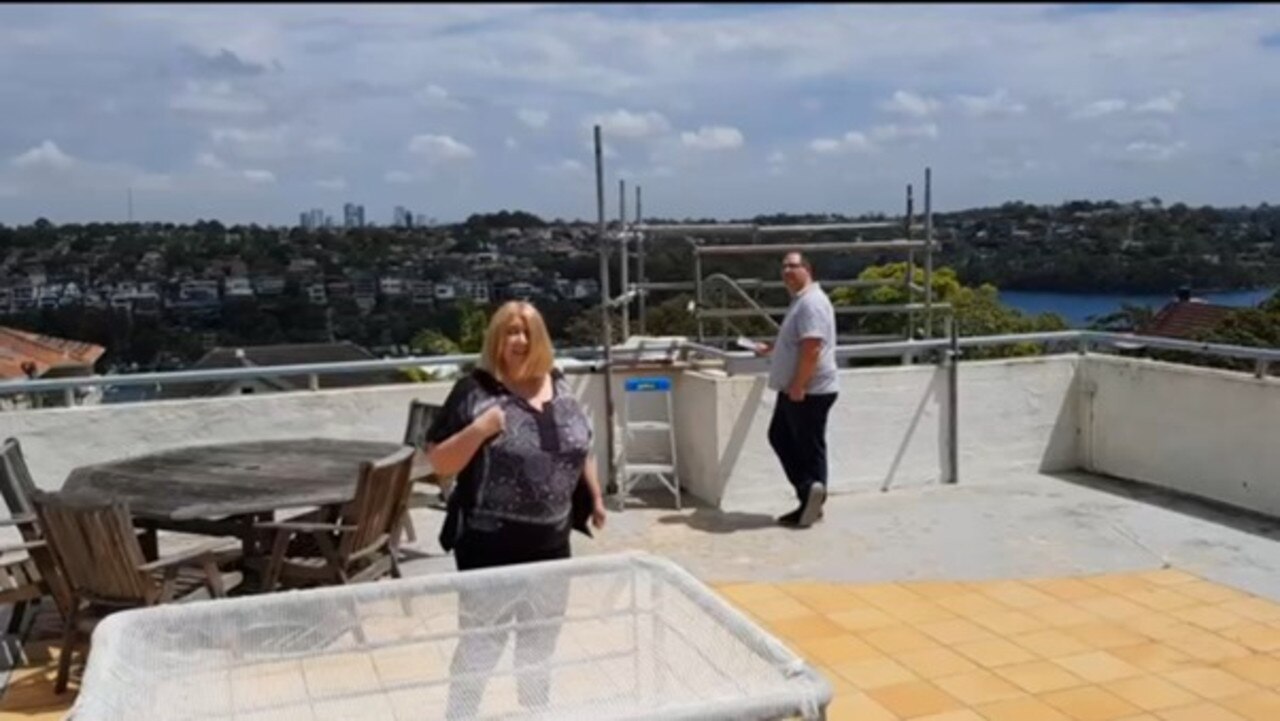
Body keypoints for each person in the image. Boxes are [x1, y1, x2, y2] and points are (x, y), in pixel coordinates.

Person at [424, 300, 606, 718]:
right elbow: (439, 464)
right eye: (509, 331)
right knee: (481, 644)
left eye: (526, 331)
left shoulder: (558, 386)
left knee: (540, 643)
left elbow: (582, 447)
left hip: (551, 543)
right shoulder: (475, 392)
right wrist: (478, 429)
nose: (518, 340)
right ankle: (461, 715)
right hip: (490, 546)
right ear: (496, 339)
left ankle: (535, 713)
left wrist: (594, 496)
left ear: (540, 337)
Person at [755, 251, 838, 528]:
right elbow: (799, 342)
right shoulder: (801, 301)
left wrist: (799, 385)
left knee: (807, 445)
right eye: (784, 267)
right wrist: (775, 348)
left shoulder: (811, 303)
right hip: (797, 387)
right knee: (784, 437)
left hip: (808, 389)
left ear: (808, 269)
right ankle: (810, 496)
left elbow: (812, 348)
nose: (787, 271)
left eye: (793, 266)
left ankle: (811, 494)